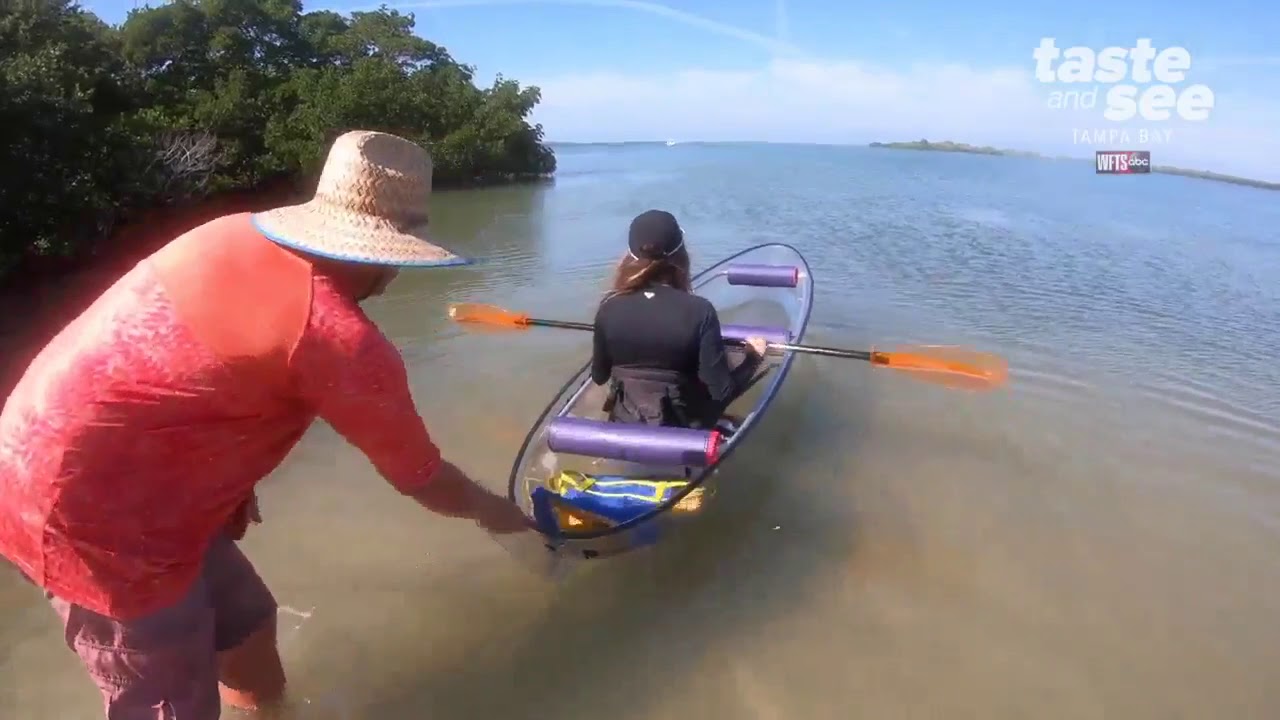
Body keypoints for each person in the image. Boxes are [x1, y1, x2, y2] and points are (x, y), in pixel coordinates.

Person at [0, 130, 531, 720]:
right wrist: (499, 514)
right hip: (87, 515)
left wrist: (229, 484)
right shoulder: (339, 338)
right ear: (388, 256)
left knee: (247, 625)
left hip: (67, 454)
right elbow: (420, 476)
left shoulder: (228, 232)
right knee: (167, 697)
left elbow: (186, 371)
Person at [590, 209, 769, 430]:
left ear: (630, 256)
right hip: (682, 429)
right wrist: (753, 357)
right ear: (681, 254)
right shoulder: (700, 311)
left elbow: (599, 376)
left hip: (625, 421)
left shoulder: (608, 308)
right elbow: (722, 392)